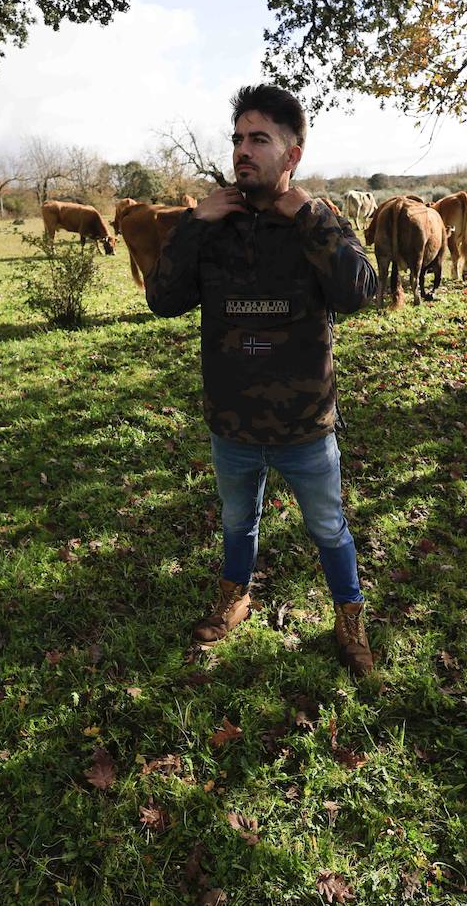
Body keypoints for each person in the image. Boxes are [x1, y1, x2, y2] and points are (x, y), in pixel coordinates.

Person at [145, 84, 378, 676]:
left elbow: (359, 291)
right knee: (236, 520)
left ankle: (349, 615)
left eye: (259, 139)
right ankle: (236, 596)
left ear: (292, 154)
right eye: (238, 139)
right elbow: (163, 300)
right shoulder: (213, 226)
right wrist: (194, 224)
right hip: (233, 422)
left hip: (305, 425)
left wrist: (308, 218)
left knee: (328, 525)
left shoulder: (318, 220)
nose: (243, 151)